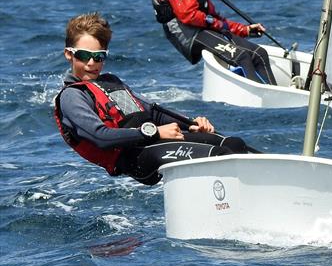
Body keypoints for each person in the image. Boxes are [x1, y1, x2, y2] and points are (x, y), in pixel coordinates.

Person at [54, 13, 255, 186]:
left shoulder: (111, 83)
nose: (91, 63)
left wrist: (192, 124)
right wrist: (154, 133)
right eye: (83, 55)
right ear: (68, 55)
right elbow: (100, 136)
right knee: (220, 157)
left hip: (151, 141)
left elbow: (152, 112)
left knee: (234, 144)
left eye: (98, 57)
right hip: (133, 157)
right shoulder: (72, 96)